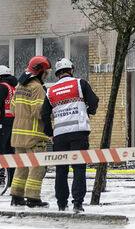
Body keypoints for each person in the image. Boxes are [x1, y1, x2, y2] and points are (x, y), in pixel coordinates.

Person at [43, 56, 100, 214]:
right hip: (78, 133)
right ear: (71, 70)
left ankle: (62, 204)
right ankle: (77, 203)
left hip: (60, 136)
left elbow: (44, 114)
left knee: (61, 170)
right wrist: (89, 111)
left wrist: (50, 132)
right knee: (78, 168)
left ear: (57, 73)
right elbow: (94, 101)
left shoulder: (50, 91)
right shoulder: (80, 83)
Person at [8, 55, 52, 208]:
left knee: (21, 167)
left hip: (18, 135)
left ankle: (16, 196)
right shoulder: (37, 88)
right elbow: (38, 112)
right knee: (37, 167)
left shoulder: (20, 87)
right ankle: (33, 198)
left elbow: (12, 109)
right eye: (46, 72)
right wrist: (50, 112)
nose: (47, 75)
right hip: (34, 136)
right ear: (40, 72)